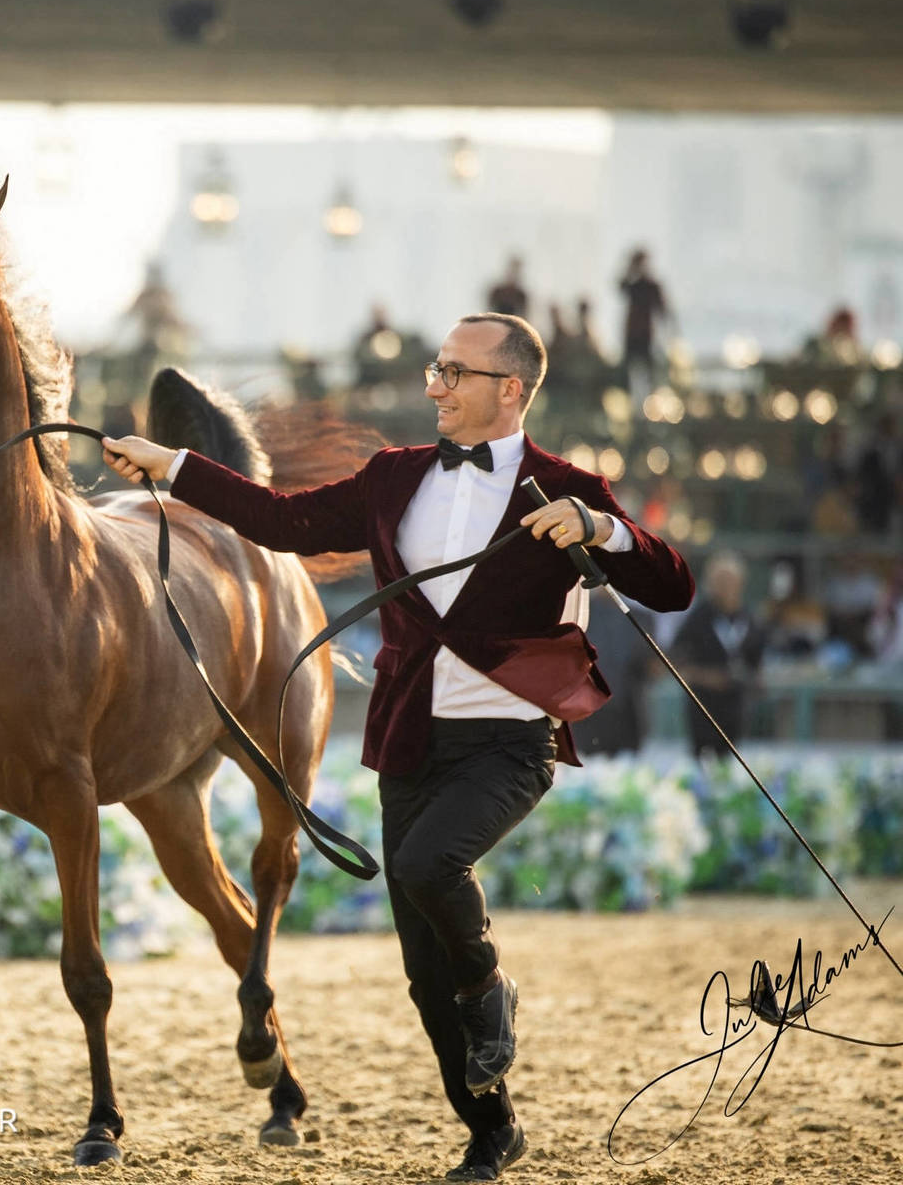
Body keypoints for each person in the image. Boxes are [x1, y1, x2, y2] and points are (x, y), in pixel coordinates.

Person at [102, 313, 693, 1181]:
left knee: (427, 865)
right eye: (435, 369)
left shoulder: (567, 488)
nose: (436, 386)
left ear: (510, 389)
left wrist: (601, 529)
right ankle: (491, 1129)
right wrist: (175, 466)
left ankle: (489, 987)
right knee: (422, 973)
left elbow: (671, 584)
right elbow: (281, 520)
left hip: (510, 744)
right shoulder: (395, 477)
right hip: (409, 737)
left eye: (455, 372)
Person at [665, 552, 766, 760]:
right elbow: (675, 657)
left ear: (741, 583)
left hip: (737, 703)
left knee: (732, 758)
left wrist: (753, 679)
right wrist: (703, 676)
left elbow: (756, 660)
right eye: (719, 581)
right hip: (703, 704)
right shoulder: (698, 618)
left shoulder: (749, 618)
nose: (725, 587)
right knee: (704, 758)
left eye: (730, 580)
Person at [617, 249, 669, 393]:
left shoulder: (651, 286)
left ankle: (652, 398)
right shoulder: (633, 286)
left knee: (649, 372)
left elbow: (662, 310)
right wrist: (630, 270)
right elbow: (620, 286)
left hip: (645, 335)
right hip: (632, 334)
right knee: (628, 372)